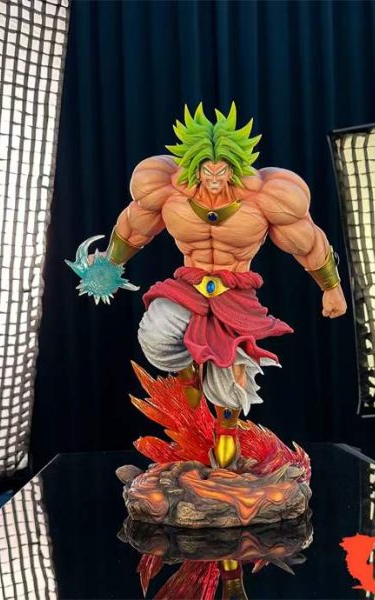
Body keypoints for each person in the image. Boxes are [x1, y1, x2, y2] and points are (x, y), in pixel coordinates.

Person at [74, 102, 347, 469]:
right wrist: (109, 263)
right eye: (207, 170)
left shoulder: (266, 196)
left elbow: (307, 241)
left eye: (223, 171)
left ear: (236, 167)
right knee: (156, 331)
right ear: (194, 166)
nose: (215, 179)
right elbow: (135, 229)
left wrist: (331, 286)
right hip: (189, 283)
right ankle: (187, 373)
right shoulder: (168, 191)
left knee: (231, 371)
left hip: (236, 291)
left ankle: (227, 428)